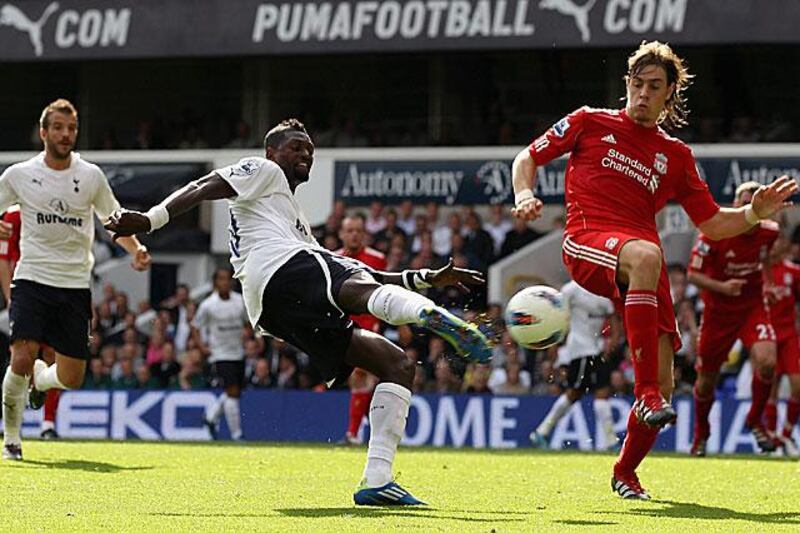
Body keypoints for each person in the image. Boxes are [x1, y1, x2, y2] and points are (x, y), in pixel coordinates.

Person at [106, 118, 492, 506]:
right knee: (351, 279)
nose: (305, 153)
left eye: (309, 149)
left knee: (397, 364)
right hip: (276, 269)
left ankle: (377, 478)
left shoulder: (293, 221)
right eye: (295, 146)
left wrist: (425, 276)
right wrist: (149, 220)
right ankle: (429, 315)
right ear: (272, 152)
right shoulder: (263, 170)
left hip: (273, 308)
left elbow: (363, 273)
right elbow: (204, 185)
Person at [510, 41, 796, 499]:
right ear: (627, 84)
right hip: (588, 242)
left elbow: (712, 223)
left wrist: (750, 214)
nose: (643, 93)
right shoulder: (590, 121)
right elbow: (527, 158)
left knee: (667, 382)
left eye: (654, 87)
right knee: (647, 264)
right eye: (637, 84)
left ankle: (625, 471)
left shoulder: (676, 156)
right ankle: (644, 392)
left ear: (669, 96)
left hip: (641, 262)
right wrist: (524, 195)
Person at [0, 99, 151, 460]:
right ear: (43, 132)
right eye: (58, 128)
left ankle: (43, 379)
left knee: (71, 377)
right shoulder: (18, 175)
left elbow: (112, 220)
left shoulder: (91, 176)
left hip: (74, 286)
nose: (65, 134)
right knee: (20, 357)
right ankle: (12, 438)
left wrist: (136, 249)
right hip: (33, 278)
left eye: (71, 128)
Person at [687, 182, 780, 456]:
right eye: (744, 203)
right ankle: (701, 433)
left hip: (752, 307)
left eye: (754, 203)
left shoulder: (769, 233)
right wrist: (723, 287)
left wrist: (770, 284)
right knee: (706, 381)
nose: (749, 208)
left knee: (767, 362)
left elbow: (764, 261)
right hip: (717, 313)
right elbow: (693, 275)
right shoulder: (712, 235)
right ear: (736, 206)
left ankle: (754, 421)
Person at [530, 280, 621, 451]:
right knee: (574, 392)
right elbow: (557, 316)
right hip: (579, 349)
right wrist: (554, 344)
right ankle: (541, 432)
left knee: (601, 392)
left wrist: (614, 339)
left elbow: (613, 318)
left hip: (598, 349)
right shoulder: (571, 290)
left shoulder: (605, 290)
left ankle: (611, 442)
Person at [336, 215, 387, 445]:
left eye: (358, 230)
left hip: (369, 326)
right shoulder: (333, 259)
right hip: (342, 327)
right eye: (350, 230)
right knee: (361, 382)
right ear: (342, 234)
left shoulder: (377, 259)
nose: (354, 234)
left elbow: (384, 294)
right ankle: (362, 433)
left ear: (364, 233)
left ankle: (353, 433)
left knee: (361, 378)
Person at [193, 267, 249, 441]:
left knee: (235, 392)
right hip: (220, 354)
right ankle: (237, 435)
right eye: (221, 279)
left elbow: (248, 322)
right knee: (232, 392)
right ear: (215, 283)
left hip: (238, 352)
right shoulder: (208, 305)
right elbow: (195, 326)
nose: (225, 282)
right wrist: (201, 347)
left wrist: (254, 338)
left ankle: (210, 416)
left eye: (227, 279)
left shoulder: (240, 301)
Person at [762, 235, 800, 456]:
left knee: (797, 386)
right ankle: (772, 437)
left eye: (778, 241)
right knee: (771, 389)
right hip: (768, 337)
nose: (775, 245)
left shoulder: (793, 272)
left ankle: (786, 434)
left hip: (789, 336)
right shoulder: (759, 274)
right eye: (771, 242)